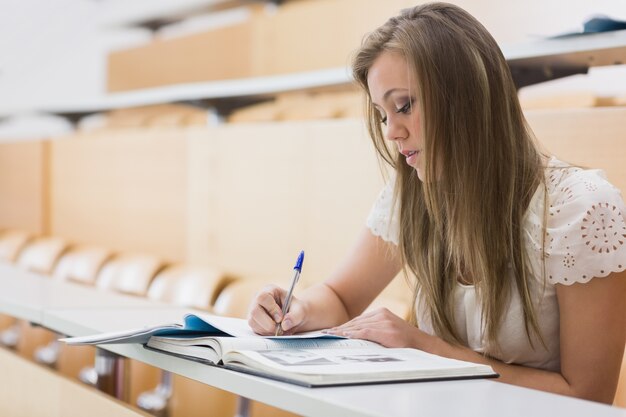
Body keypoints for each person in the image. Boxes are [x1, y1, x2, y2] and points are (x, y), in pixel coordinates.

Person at [247, 2, 626, 404]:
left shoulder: (580, 209)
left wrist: (425, 348)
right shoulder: (410, 191)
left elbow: (588, 395)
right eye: (382, 114)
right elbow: (340, 298)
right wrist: (295, 309)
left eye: (404, 106)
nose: (392, 132)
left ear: (466, 97)